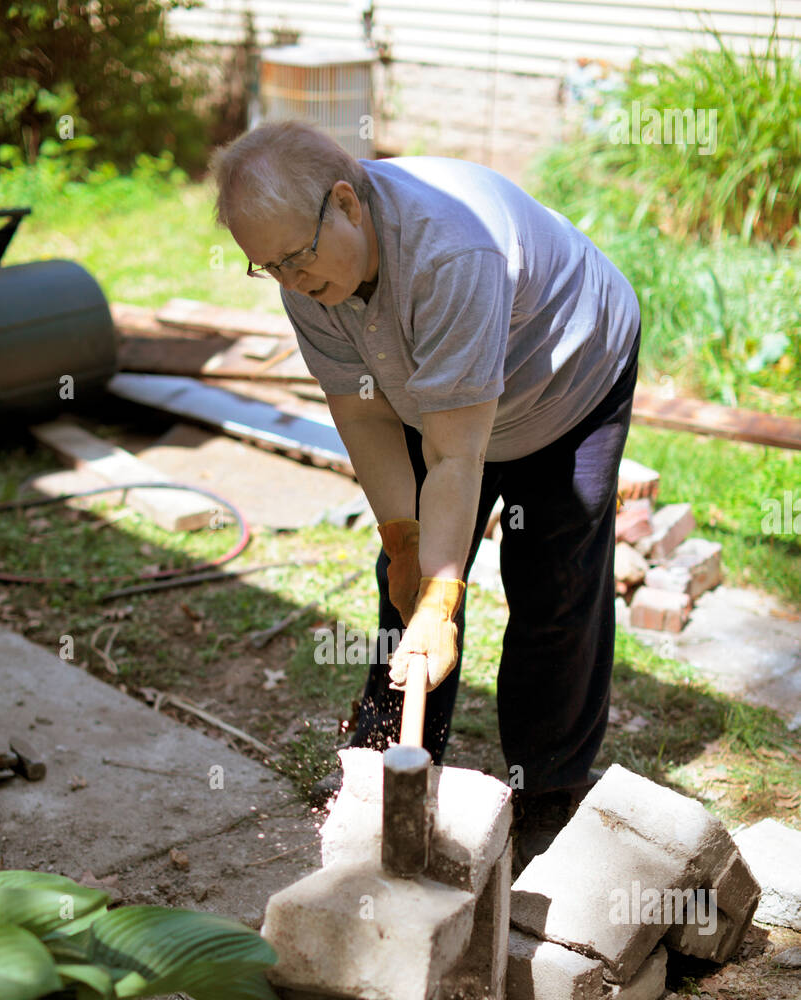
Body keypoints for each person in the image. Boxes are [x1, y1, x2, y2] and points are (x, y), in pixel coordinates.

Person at [209, 120, 641, 871]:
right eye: (266, 268)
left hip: (565, 380)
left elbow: (454, 453)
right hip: (444, 397)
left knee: (553, 581)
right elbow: (362, 410)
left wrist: (446, 592)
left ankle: (548, 790)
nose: (288, 282)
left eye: (295, 260)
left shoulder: (449, 250)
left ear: (345, 203)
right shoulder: (308, 266)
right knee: (404, 578)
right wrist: (407, 545)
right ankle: (389, 762)